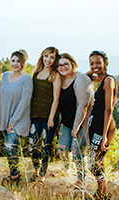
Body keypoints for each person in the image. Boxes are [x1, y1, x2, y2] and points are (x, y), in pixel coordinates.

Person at [56, 53, 93, 189]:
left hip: (80, 123)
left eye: (66, 64)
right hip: (65, 122)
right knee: (62, 149)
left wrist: (76, 127)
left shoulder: (81, 78)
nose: (63, 67)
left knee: (77, 151)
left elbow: (83, 104)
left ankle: (81, 180)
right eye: (60, 65)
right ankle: (67, 170)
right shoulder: (60, 79)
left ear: (72, 63)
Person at [86, 50, 117, 200]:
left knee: (94, 161)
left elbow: (109, 108)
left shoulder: (109, 81)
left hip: (103, 126)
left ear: (105, 62)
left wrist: (104, 135)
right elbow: (86, 76)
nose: (95, 66)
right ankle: (101, 193)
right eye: (92, 63)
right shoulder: (101, 78)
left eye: (99, 62)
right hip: (96, 123)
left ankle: (102, 194)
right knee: (95, 160)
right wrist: (94, 70)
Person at [0, 50, 33, 184]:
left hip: (18, 120)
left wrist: (12, 121)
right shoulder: (5, 75)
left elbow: (25, 102)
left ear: (23, 63)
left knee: (9, 146)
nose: (15, 63)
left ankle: (14, 175)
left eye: (19, 61)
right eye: (13, 60)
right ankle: (14, 173)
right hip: (4, 118)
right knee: (10, 149)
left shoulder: (26, 79)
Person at [28, 47, 61, 182]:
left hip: (49, 116)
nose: (48, 60)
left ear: (55, 60)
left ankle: (42, 173)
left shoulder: (55, 75)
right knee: (31, 145)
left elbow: (56, 98)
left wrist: (52, 118)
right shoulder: (36, 73)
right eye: (46, 56)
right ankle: (36, 168)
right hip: (35, 115)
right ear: (42, 57)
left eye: (52, 57)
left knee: (46, 145)